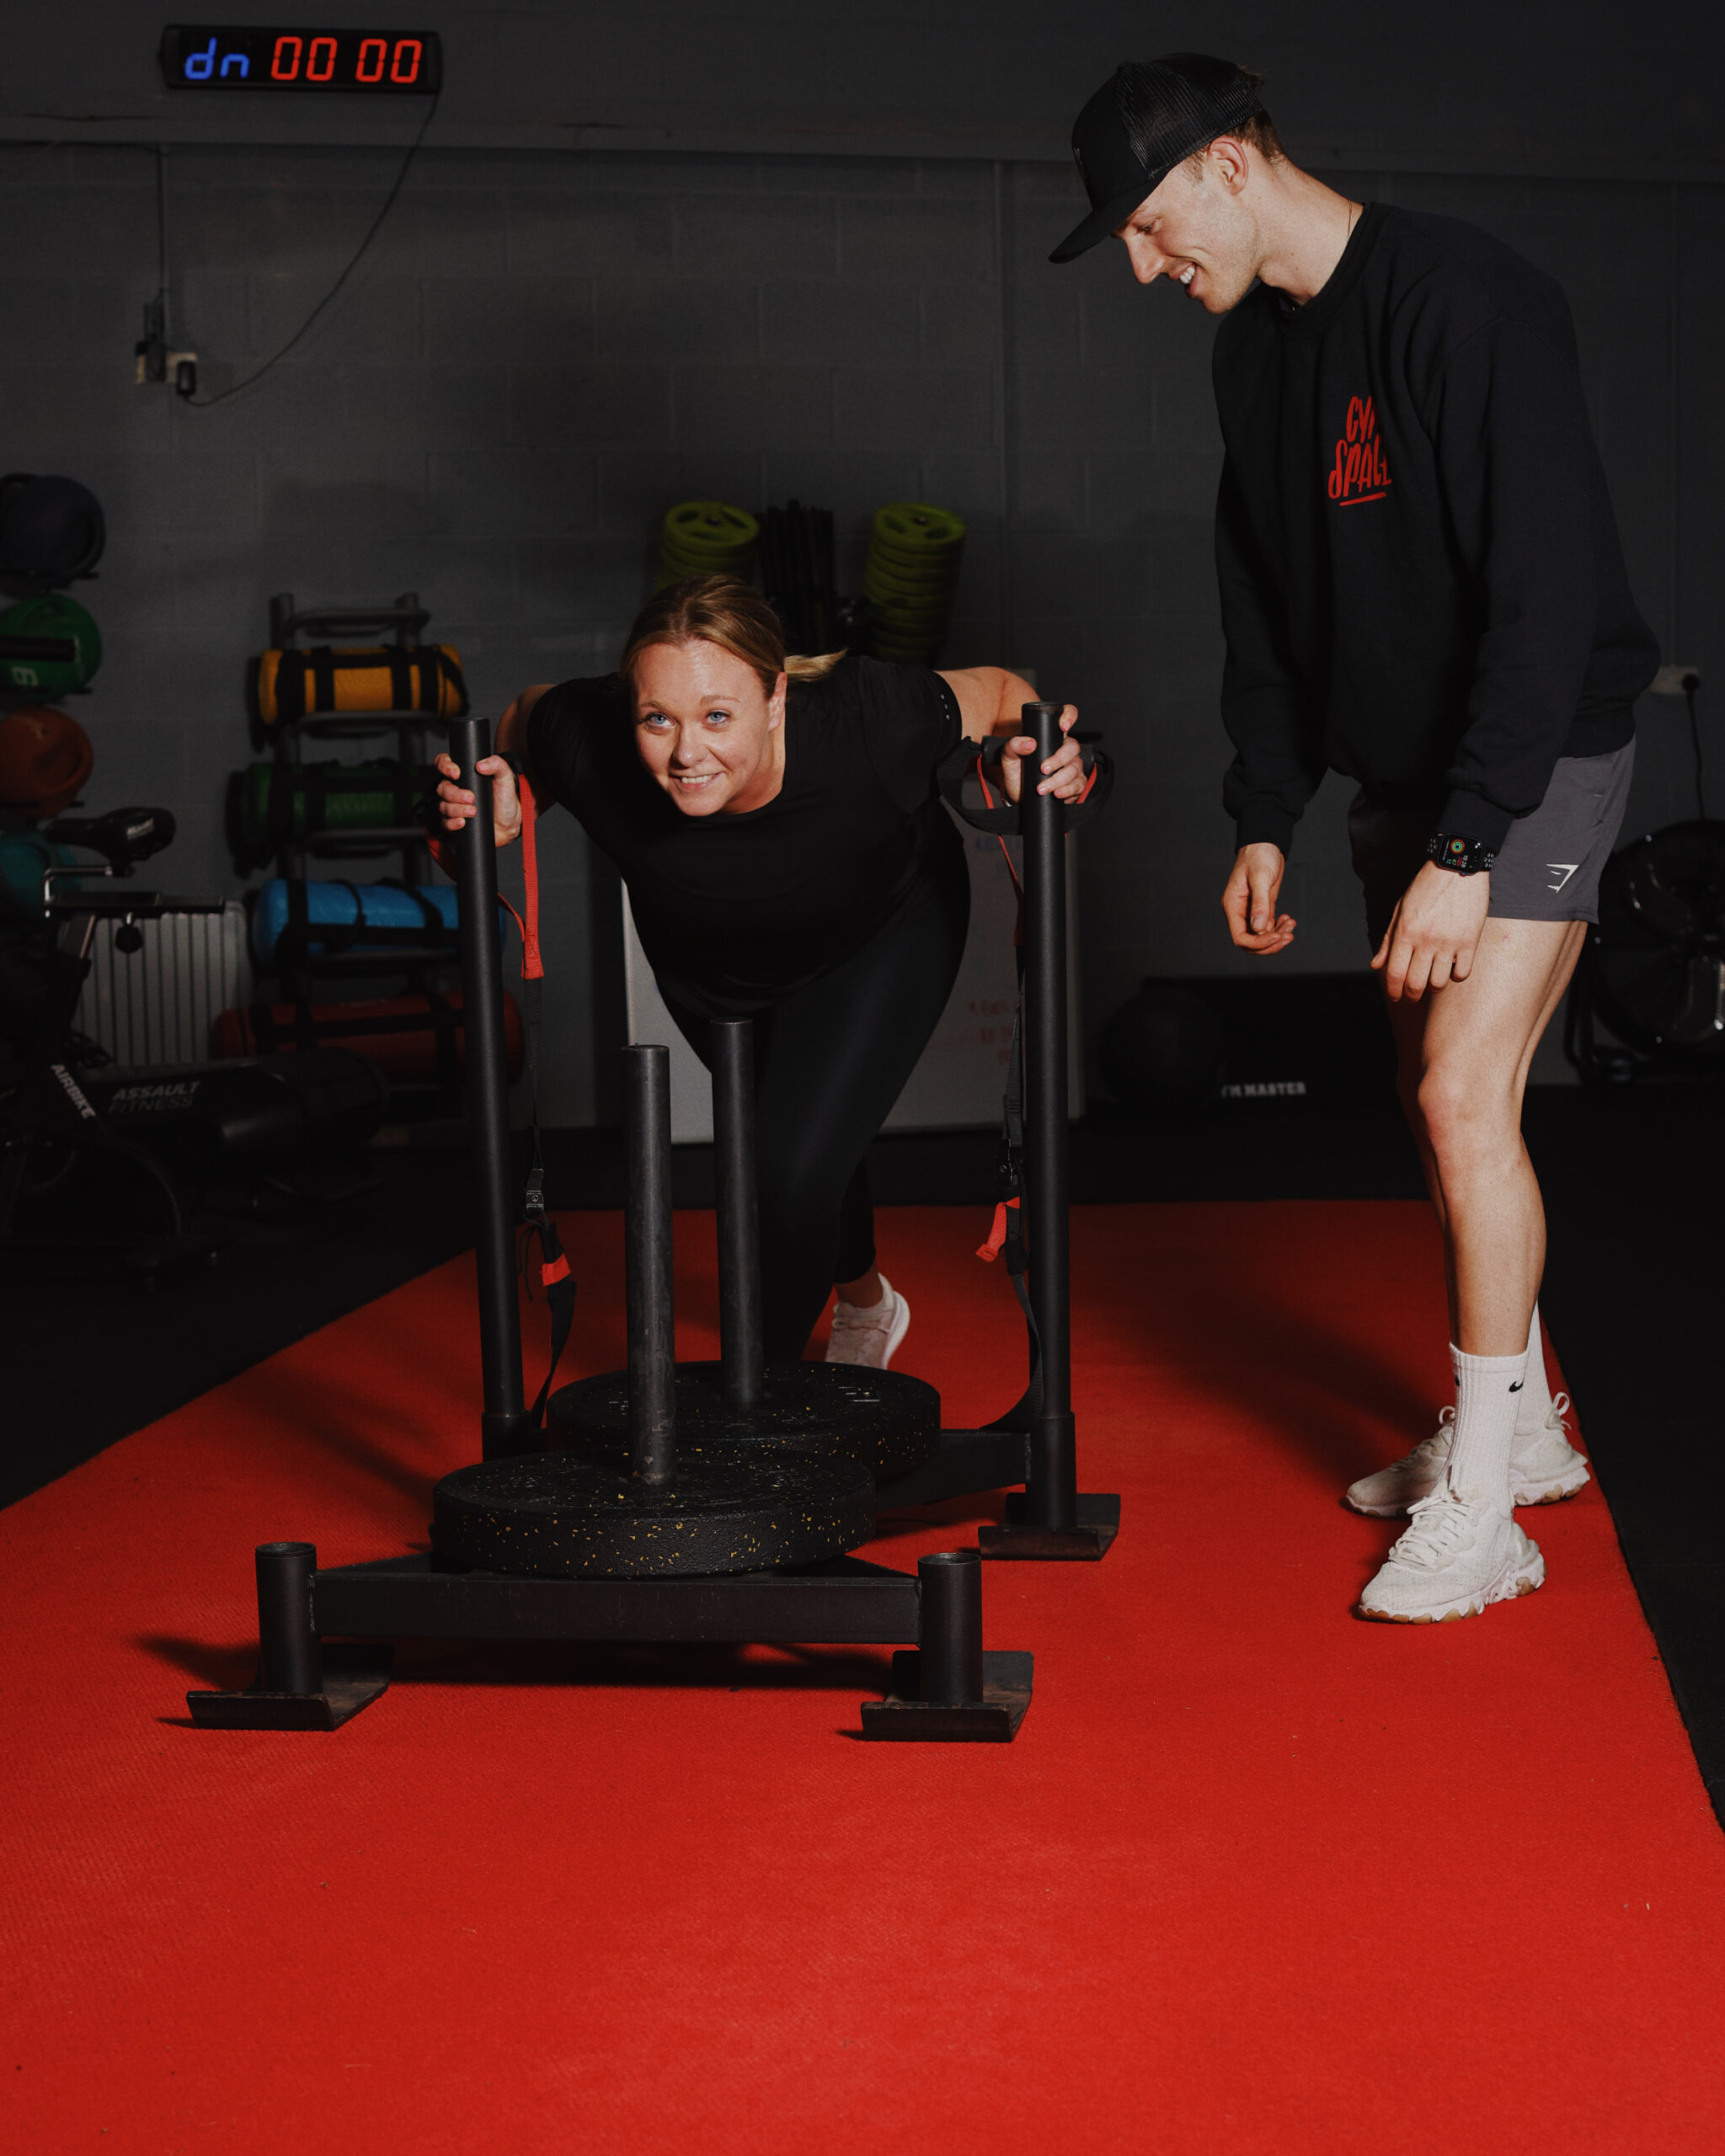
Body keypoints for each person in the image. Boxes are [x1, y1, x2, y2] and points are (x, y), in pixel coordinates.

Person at [1051, 53, 1658, 1622]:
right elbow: (1259, 593)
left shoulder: (1469, 299)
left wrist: (1467, 850)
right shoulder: (1248, 356)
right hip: (1401, 771)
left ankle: (1483, 1515)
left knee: (1464, 1091)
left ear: (1233, 162)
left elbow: (1542, 598)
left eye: (1147, 220)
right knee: (1428, 1094)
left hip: (1535, 755)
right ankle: (1519, 1426)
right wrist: (1266, 807)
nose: (1138, 261)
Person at [435, 574, 1086, 1369]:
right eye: (657, 718)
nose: (686, 752)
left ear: (776, 700)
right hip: (711, 963)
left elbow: (1000, 691)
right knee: (797, 1138)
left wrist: (1039, 756)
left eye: (717, 716)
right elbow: (525, 717)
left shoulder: (865, 719)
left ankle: (758, 1402)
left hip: (881, 934)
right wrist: (517, 793)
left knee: (786, 1162)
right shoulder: (590, 735)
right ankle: (867, 1303)